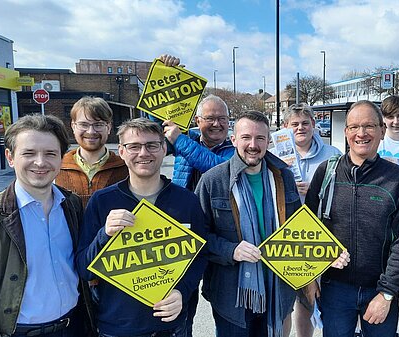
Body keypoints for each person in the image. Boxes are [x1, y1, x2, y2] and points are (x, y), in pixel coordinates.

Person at [76, 118, 207, 337]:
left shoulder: (187, 202)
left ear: (164, 149)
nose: (143, 153)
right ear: (121, 151)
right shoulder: (102, 201)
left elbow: (200, 257)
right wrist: (104, 235)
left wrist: (182, 292)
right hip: (118, 326)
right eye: (134, 146)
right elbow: (83, 268)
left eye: (152, 145)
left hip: (171, 326)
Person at [0, 114, 94, 337]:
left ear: (61, 158)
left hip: (74, 326)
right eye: (29, 153)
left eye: (50, 153)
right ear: (10, 156)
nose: (40, 162)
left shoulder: (72, 205)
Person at [305, 100, 399, 337]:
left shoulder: (398, 179)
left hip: (378, 289)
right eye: (354, 127)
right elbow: (308, 227)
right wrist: (310, 276)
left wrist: (387, 293)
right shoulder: (326, 172)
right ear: (346, 132)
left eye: (369, 126)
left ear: (382, 131)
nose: (361, 133)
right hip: (334, 288)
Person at [195, 111, 302, 337]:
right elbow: (197, 237)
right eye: (246, 138)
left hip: (276, 289)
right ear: (233, 140)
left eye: (260, 138)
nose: (253, 145)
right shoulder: (212, 181)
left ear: (268, 141)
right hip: (231, 295)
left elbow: (298, 230)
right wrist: (231, 250)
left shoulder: (284, 177)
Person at [159, 54, 235, 337]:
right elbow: (155, 132)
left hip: (217, 234)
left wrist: (179, 140)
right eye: (210, 118)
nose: (216, 124)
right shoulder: (184, 137)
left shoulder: (233, 151)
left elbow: (216, 169)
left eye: (222, 118)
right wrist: (168, 76)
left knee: (222, 303)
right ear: (198, 120)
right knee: (181, 303)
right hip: (180, 230)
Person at [269, 103, 341, 337]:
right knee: (283, 300)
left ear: (313, 125)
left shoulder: (332, 155)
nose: (300, 128)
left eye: (305, 123)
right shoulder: (274, 155)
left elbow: (342, 190)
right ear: (285, 127)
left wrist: (316, 188)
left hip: (317, 234)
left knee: (309, 297)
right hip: (283, 233)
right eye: (295, 124)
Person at [57, 96, 128, 207]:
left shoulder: (126, 168)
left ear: (108, 127)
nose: (91, 131)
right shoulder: (56, 167)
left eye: (98, 125)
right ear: (73, 126)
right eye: (84, 125)